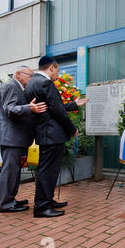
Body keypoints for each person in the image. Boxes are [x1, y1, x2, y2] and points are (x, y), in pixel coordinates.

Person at [25, 56, 89, 218]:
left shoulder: (32, 82)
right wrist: (72, 129)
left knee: (47, 170)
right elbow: (58, 111)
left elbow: (52, 107)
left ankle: (48, 200)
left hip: (45, 133)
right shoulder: (46, 83)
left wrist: (74, 104)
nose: (57, 74)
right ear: (51, 68)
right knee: (48, 172)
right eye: (57, 70)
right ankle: (42, 207)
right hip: (52, 134)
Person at [0, 66, 48, 213]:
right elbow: (9, 109)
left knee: (14, 171)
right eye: (30, 75)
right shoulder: (11, 85)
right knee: (10, 171)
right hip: (11, 137)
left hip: (14, 137)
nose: (31, 79)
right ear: (18, 74)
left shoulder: (15, 86)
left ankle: (10, 199)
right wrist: (29, 108)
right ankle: (5, 203)